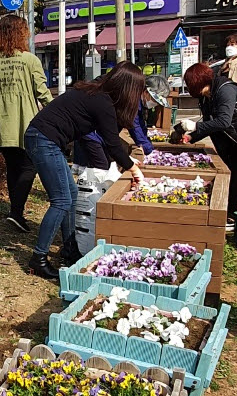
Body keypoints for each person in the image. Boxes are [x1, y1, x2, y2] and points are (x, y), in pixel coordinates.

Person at [24, 61, 148, 280]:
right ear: (128, 88)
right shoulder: (103, 101)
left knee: (70, 194)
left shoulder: (98, 93)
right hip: (43, 139)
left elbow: (110, 141)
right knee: (62, 200)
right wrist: (133, 169)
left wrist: (127, 160)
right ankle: (39, 259)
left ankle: (70, 250)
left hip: (44, 138)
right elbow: (111, 142)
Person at [178, 61, 237, 228]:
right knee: (234, 176)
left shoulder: (225, 90)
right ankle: (232, 214)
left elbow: (223, 121)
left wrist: (195, 126)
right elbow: (211, 123)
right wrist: (190, 137)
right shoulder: (207, 96)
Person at [0, 15, 53, 231]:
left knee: (13, 167)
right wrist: (60, 111)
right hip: (27, 121)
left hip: (2, 123)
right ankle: (16, 212)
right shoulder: (30, 60)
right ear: (22, 33)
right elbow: (43, 93)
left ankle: (16, 212)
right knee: (30, 166)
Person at [74, 87, 156, 170]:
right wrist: (147, 149)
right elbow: (135, 126)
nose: (155, 103)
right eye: (154, 100)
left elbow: (140, 126)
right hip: (93, 132)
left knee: (99, 164)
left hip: (98, 132)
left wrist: (148, 145)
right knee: (100, 166)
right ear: (146, 92)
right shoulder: (132, 101)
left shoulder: (136, 100)